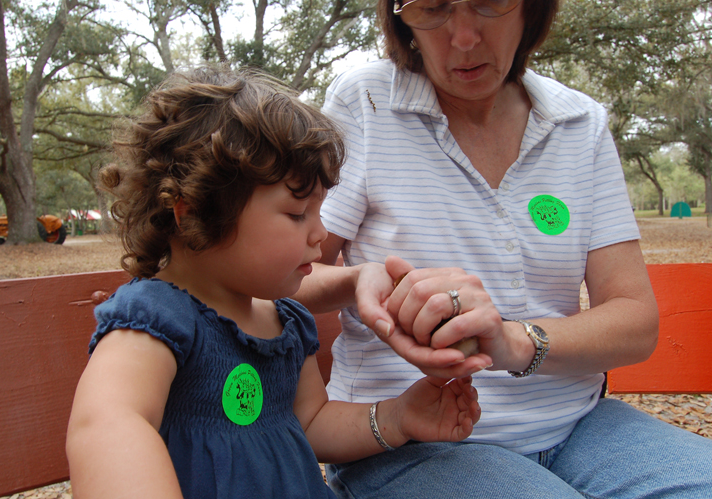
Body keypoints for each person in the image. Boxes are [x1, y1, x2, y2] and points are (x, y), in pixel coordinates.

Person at [293, 0, 712, 497]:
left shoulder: (580, 122)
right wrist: (355, 279)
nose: (464, 36)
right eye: (433, 8)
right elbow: (280, 278)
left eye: (489, 3)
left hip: (580, 426)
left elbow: (634, 319)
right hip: (409, 443)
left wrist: (515, 342)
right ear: (400, 16)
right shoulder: (366, 101)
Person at [65, 65, 481, 499]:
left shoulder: (286, 323)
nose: (320, 234)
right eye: (297, 213)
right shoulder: (156, 319)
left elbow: (311, 422)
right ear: (195, 213)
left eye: (319, 211)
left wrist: (396, 418)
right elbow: (109, 422)